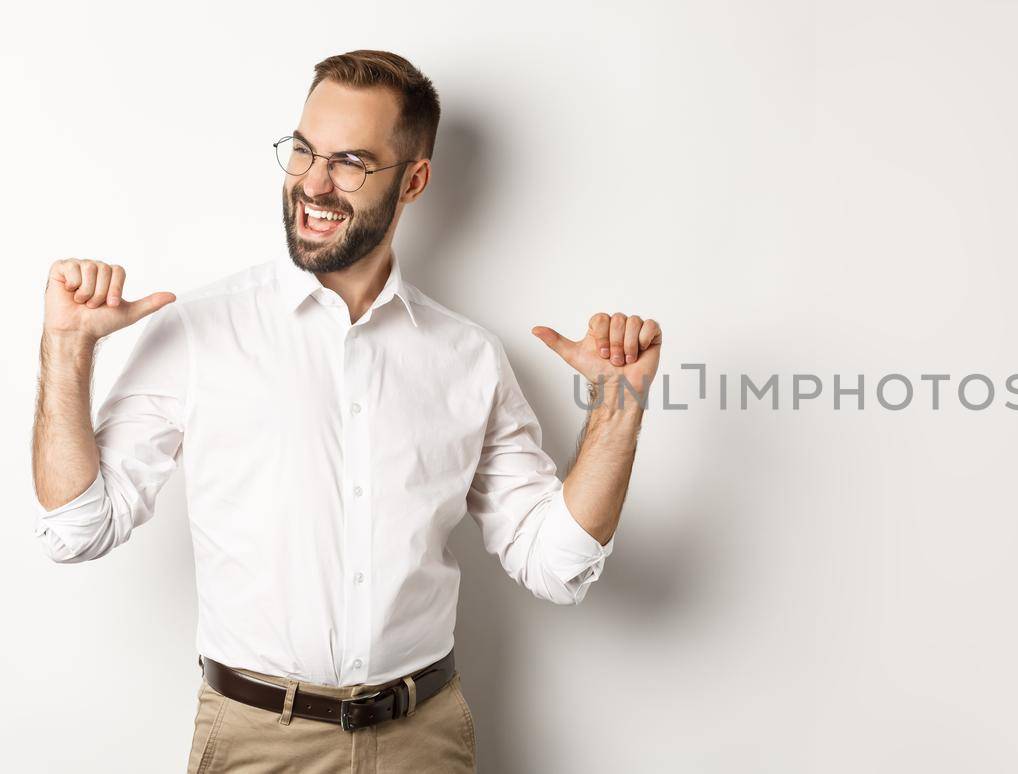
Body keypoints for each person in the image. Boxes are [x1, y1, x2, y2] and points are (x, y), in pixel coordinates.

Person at [31, 49, 660, 773]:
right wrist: (67, 351)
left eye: (351, 162)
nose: (314, 184)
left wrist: (618, 410)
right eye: (303, 151)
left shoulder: (469, 358)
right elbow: (76, 529)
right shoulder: (199, 333)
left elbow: (557, 565)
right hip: (256, 741)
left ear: (415, 180)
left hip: (424, 739)